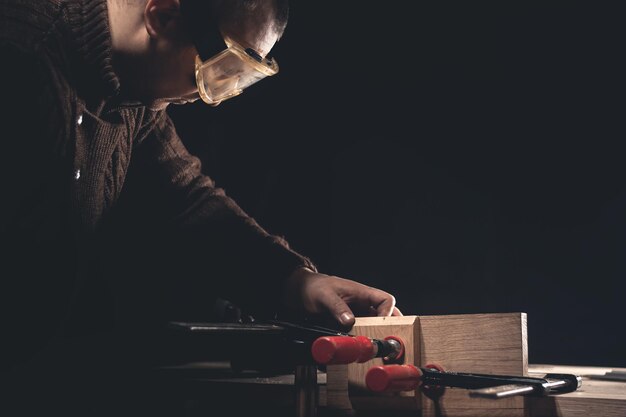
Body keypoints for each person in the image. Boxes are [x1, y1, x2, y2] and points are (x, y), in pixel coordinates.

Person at [0, 0, 400, 414]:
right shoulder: (19, 56)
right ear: (162, 16)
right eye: (221, 66)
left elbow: (185, 200)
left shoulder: (131, 90)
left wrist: (294, 281)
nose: (217, 97)